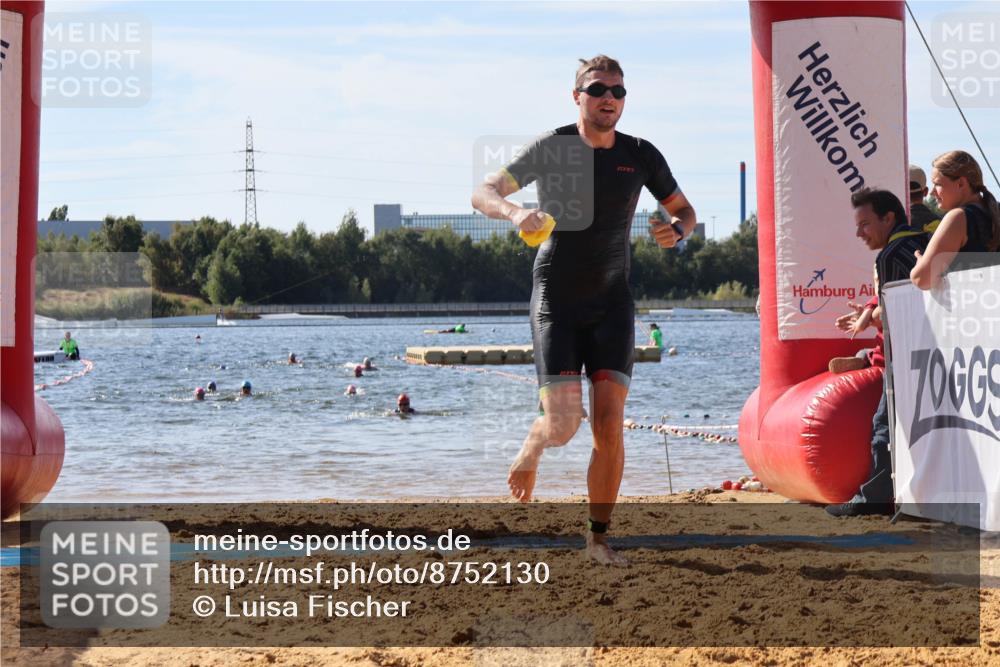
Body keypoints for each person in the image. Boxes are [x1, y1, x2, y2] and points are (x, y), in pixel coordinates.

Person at [471, 55, 696, 565]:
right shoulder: (553, 148)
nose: (609, 98)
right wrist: (515, 211)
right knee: (565, 426)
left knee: (610, 425)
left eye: (618, 91)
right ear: (577, 96)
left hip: (613, 300)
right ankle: (536, 439)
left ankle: (597, 539)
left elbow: (685, 210)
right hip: (557, 299)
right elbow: (482, 192)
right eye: (598, 89)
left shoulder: (641, 154)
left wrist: (677, 231)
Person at [826, 188, 928, 518]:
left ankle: (873, 501)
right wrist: (869, 312)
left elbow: (896, 312)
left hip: (906, 356)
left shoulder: (890, 255)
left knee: (884, 428)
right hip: (938, 355)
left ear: (889, 218)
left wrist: (868, 316)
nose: (859, 233)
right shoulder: (926, 242)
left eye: (865, 224)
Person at [911, 150, 1000, 289]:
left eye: (937, 184)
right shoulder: (994, 212)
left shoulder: (958, 218)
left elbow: (922, 279)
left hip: (973, 308)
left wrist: (920, 264)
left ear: (961, 183)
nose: (933, 192)